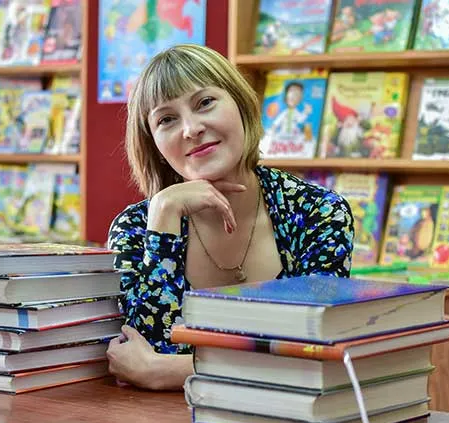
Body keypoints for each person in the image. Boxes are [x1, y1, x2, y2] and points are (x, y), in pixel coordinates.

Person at [106, 44, 354, 390]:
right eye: (166, 119)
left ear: (241, 104)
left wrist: (168, 371)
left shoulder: (317, 213)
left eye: (205, 102)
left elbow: (312, 354)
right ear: (155, 146)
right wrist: (164, 214)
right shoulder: (136, 229)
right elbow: (143, 352)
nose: (190, 129)